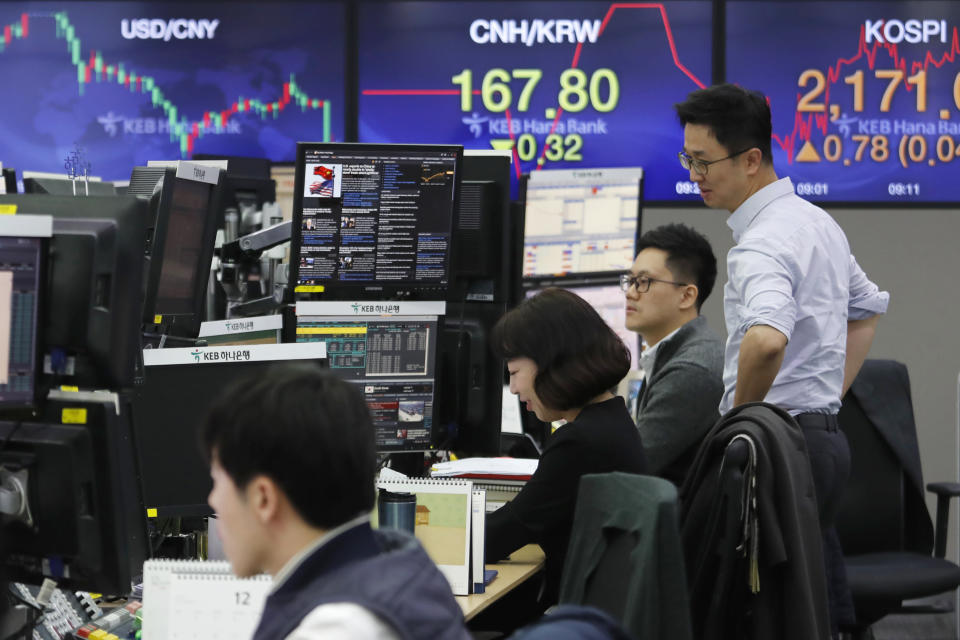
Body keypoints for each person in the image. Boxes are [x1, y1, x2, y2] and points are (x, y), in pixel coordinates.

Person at [675, 83, 890, 633]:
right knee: (804, 609)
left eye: (703, 162)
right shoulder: (817, 222)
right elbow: (866, 312)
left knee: (757, 617)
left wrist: (738, 422)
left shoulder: (762, 244)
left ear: (751, 160)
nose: (694, 174)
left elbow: (767, 339)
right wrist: (827, 395)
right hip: (818, 441)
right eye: (688, 159)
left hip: (772, 453)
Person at [201, 364, 470, 640]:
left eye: (217, 482)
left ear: (264, 498)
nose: (213, 499)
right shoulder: (393, 560)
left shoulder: (337, 627)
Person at [486, 288, 648, 609]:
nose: (515, 388)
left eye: (516, 372)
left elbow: (497, 538)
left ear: (552, 363)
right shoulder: (612, 422)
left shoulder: (581, 443)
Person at [622, 223, 724, 486]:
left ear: (687, 296)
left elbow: (629, 466)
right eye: (630, 280)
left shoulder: (691, 370)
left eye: (644, 282)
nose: (631, 293)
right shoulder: (681, 351)